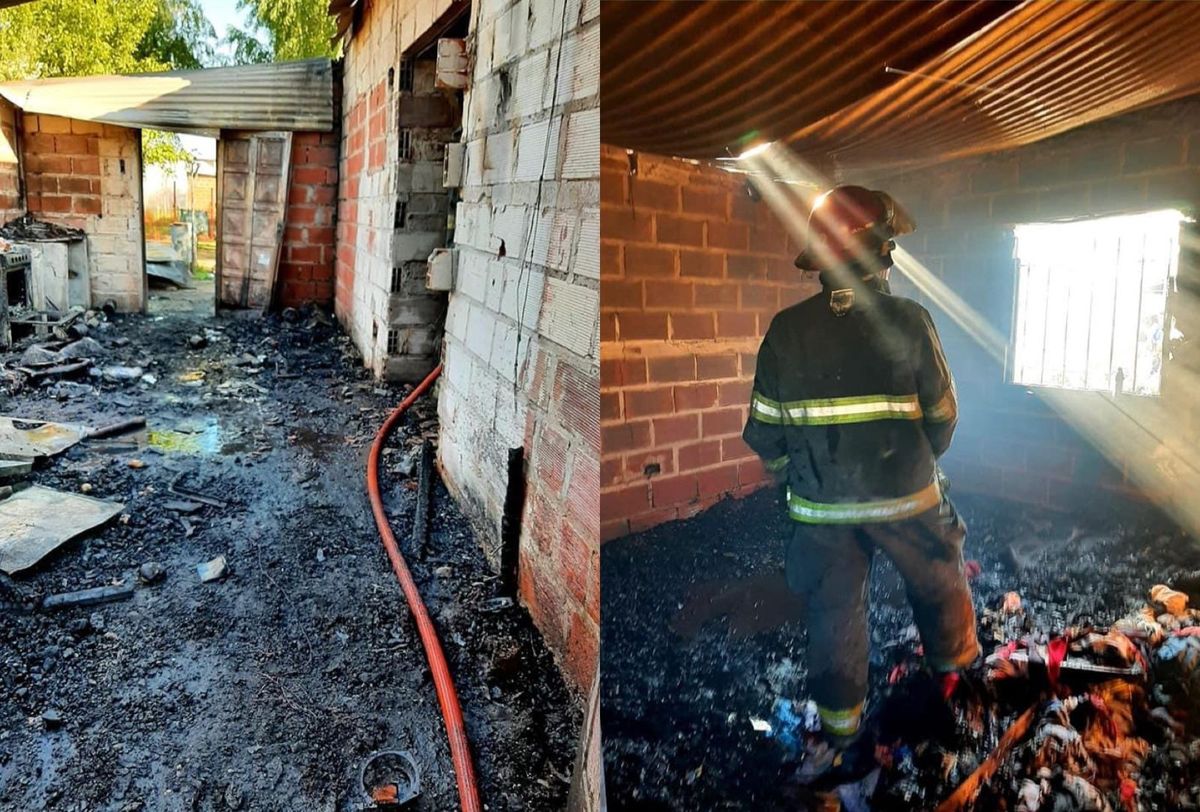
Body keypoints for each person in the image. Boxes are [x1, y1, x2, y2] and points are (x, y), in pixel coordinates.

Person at [741, 185, 980, 766]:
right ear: (882, 254)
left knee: (834, 612)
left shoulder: (784, 330)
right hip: (908, 500)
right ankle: (952, 684)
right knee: (940, 580)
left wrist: (798, 482)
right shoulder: (911, 320)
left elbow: (766, 434)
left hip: (820, 513)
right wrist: (915, 467)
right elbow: (944, 419)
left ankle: (840, 732)